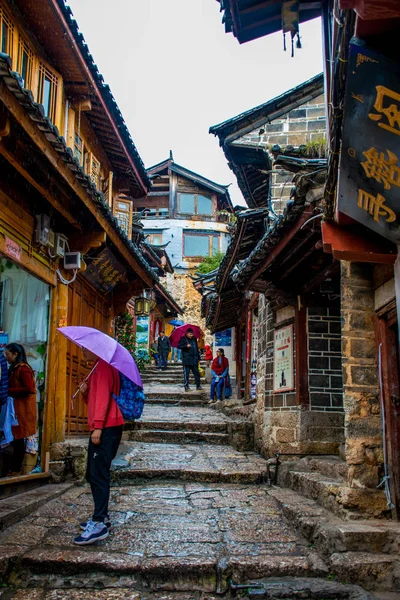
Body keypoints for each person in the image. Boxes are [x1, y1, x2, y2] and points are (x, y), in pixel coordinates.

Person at [73, 348, 124, 546]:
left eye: (86, 349)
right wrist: (85, 393)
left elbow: (103, 399)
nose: (83, 352)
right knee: (94, 473)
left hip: (106, 427)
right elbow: (96, 398)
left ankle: (99, 522)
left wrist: (97, 427)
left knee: (98, 474)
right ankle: (101, 516)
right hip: (107, 425)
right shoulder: (98, 368)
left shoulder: (102, 367)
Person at [3, 343, 37, 475]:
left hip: (23, 409)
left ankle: (16, 469)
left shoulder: (23, 369)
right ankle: (13, 468)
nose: (6, 357)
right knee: (15, 437)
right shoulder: (15, 368)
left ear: (15, 354)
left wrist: (8, 391)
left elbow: (29, 389)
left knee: (19, 437)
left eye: (8, 354)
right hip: (16, 407)